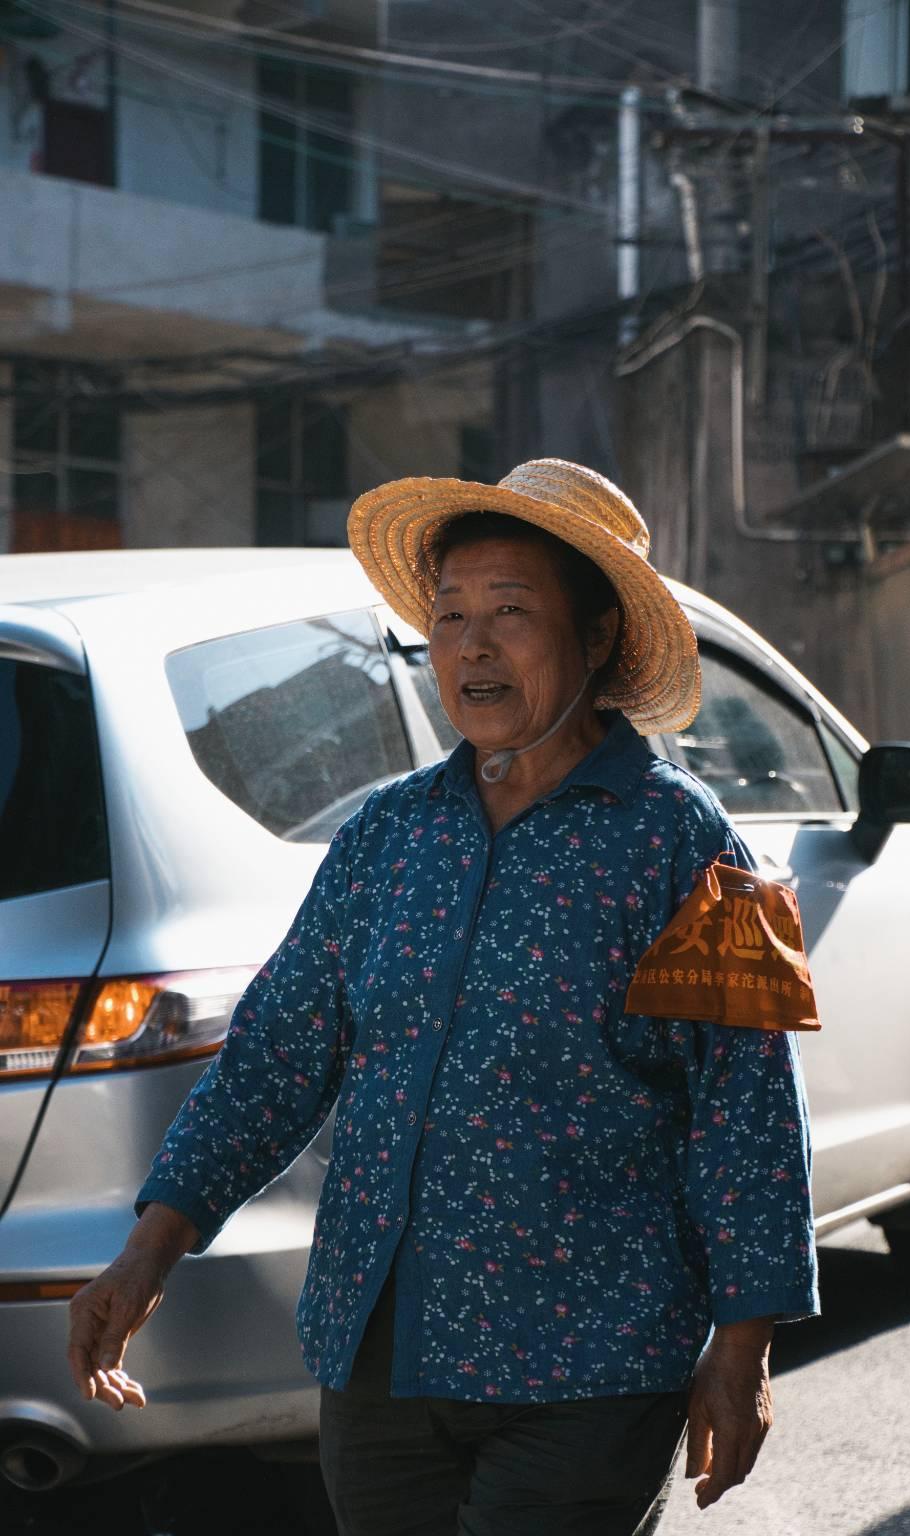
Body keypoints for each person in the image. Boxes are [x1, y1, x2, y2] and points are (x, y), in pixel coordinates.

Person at [67, 459, 818, 1536]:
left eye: (510, 613)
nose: (469, 645)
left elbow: (747, 1112)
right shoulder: (384, 836)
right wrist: (149, 1251)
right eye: (449, 615)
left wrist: (743, 1346)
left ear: (598, 636)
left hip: (588, 1367)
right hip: (381, 1360)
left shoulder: (688, 847)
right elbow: (277, 1055)